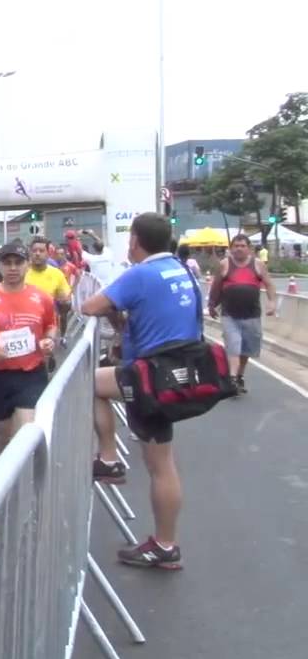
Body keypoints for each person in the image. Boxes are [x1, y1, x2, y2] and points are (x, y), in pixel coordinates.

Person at [81, 212, 202, 570]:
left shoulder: (141, 274)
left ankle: (109, 460)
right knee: (162, 463)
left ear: (135, 240)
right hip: (179, 374)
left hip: (150, 378)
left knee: (89, 382)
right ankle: (164, 541)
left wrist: (118, 316)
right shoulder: (184, 272)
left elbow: (91, 306)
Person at [0, 241, 58, 453]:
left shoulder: (41, 297)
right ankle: (7, 485)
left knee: (26, 435)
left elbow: (51, 325)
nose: (13, 268)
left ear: (27, 265)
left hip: (31, 374)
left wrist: (49, 340)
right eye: (7, 263)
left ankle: (27, 482)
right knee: (4, 437)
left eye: (18, 262)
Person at [208, 233, 277, 395]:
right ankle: (232, 378)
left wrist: (272, 303)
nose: (239, 249)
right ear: (231, 249)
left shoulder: (258, 265)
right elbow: (216, 286)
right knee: (234, 345)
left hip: (252, 315)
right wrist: (212, 304)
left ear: (249, 249)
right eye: (236, 246)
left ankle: (239, 376)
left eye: (242, 246)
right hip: (230, 315)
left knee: (246, 350)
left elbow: (269, 284)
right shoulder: (225, 264)